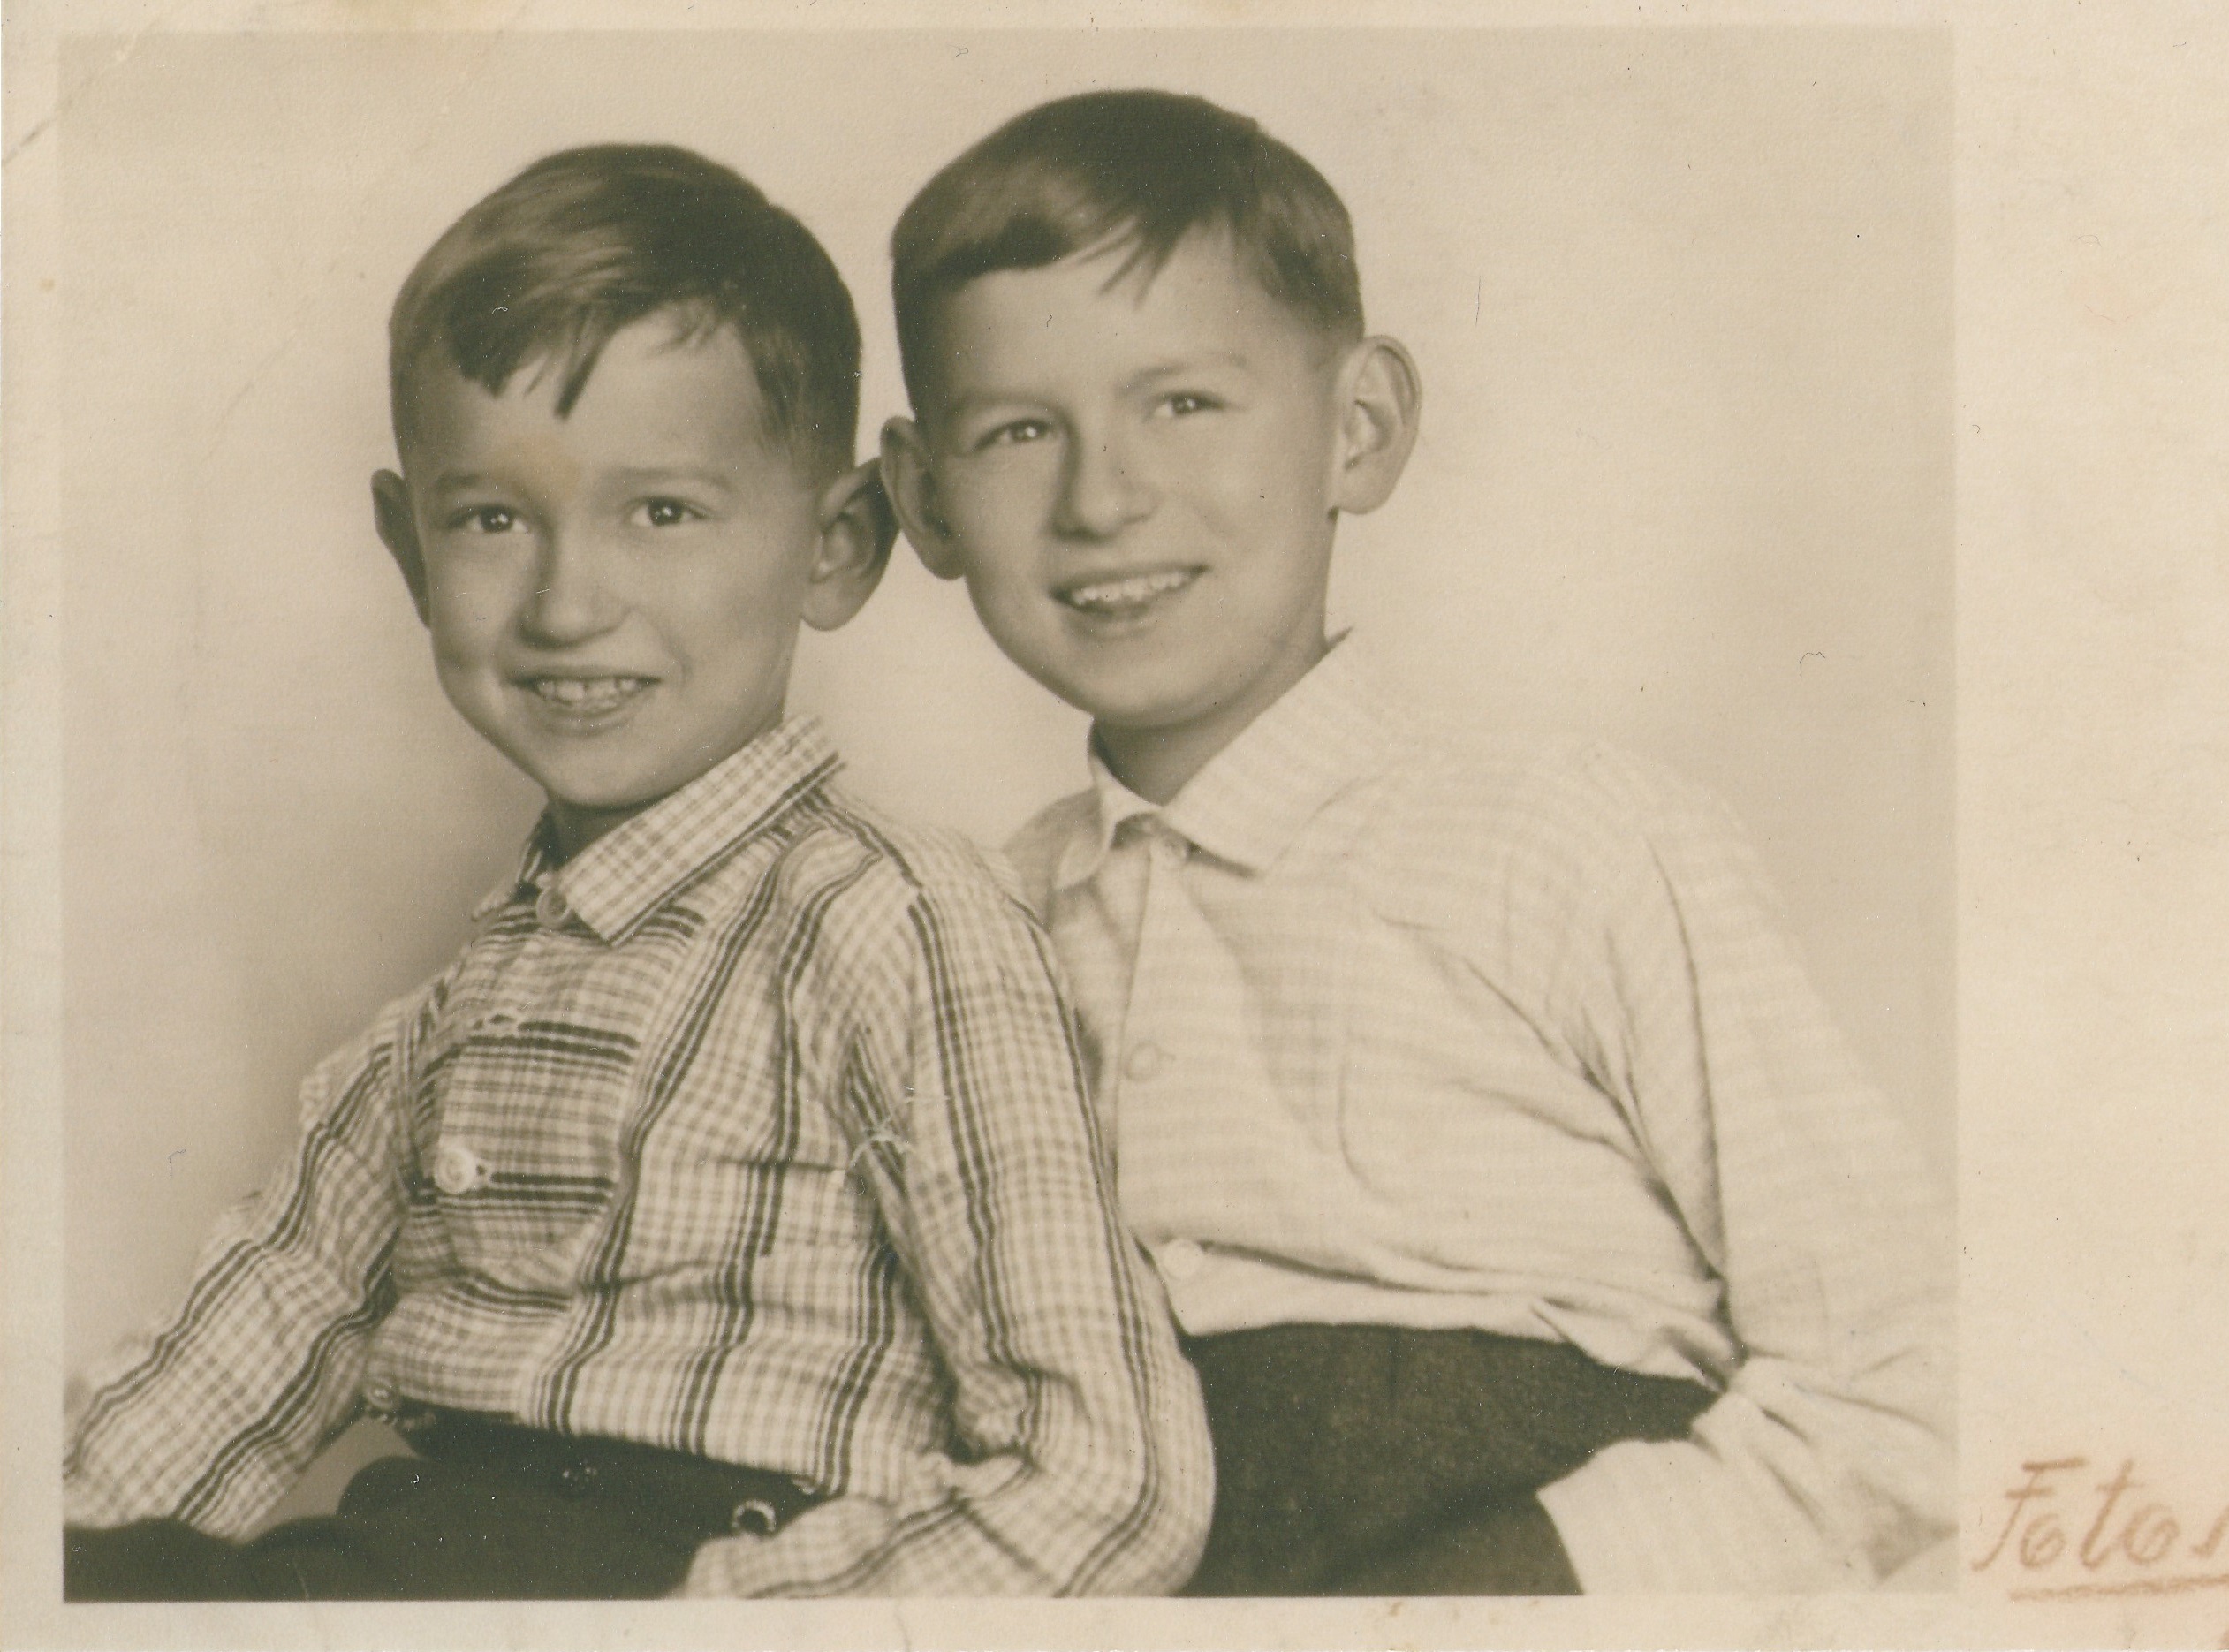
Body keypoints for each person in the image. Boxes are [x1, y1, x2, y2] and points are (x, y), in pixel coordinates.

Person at [60, 143, 1209, 1601]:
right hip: (417, 1555)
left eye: (661, 512)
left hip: (699, 1566)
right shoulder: (438, 1029)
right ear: (409, 553)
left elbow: (1106, 1478)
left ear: (835, 545)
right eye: (491, 519)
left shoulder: (892, 921)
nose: (567, 603)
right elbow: (225, 1364)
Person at [876, 89, 1953, 1596]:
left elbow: (1906, 1380)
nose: (1101, 498)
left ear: (1359, 427)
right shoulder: (969, 930)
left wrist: (1511, 1593)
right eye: (1017, 431)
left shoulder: (1572, 839)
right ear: (923, 499)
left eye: (1183, 404)